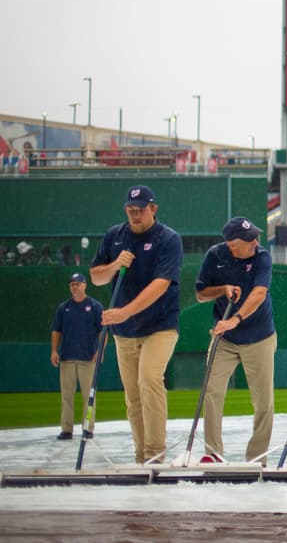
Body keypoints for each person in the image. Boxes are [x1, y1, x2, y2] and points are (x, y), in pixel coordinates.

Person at [90, 184, 183, 464]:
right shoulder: (114, 237)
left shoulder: (168, 239)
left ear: (153, 208)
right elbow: (96, 277)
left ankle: (156, 455)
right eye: (130, 210)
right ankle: (141, 456)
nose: (135, 215)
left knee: (149, 380)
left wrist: (125, 311)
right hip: (125, 332)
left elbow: (160, 284)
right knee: (133, 397)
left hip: (160, 325)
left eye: (140, 210)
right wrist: (115, 264)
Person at [193, 217, 277, 464]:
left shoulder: (262, 257)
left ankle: (257, 457)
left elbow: (260, 293)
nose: (256, 242)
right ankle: (213, 453)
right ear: (233, 244)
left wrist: (236, 318)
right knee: (211, 390)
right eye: (249, 239)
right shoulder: (215, 256)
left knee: (263, 400)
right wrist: (222, 289)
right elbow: (200, 294)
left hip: (259, 336)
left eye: (255, 237)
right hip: (225, 338)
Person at [50, 272, 103, 440]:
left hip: (87, 359)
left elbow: (102, 330)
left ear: (85, 285)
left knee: (89, 396)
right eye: (72, 284)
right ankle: (66, 429)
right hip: (67, 358)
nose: (75, 287)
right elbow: (56, 331)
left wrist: (100, 350)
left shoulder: (95, 306)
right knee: (66, 396)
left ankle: (88, 428)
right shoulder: (63, 308)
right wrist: (54, 350)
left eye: (78, 283)